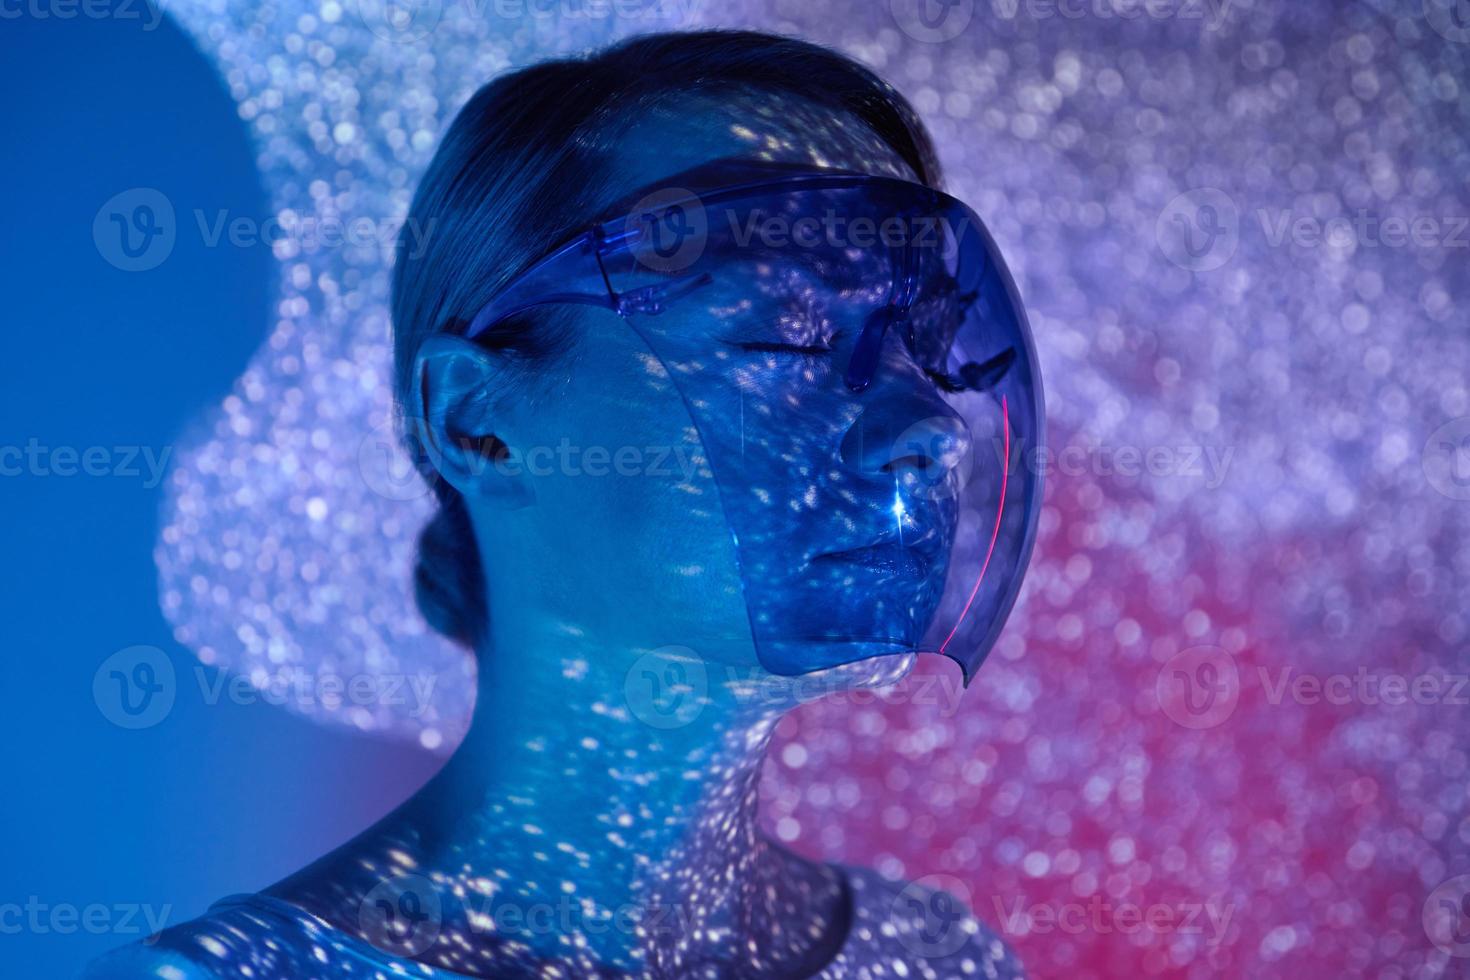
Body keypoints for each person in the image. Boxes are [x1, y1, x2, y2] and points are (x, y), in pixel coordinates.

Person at [88, 28, 1038, 979]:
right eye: (781, 341)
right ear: (477, 424)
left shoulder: (942, 958)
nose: (934, 427)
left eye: (923, 347)